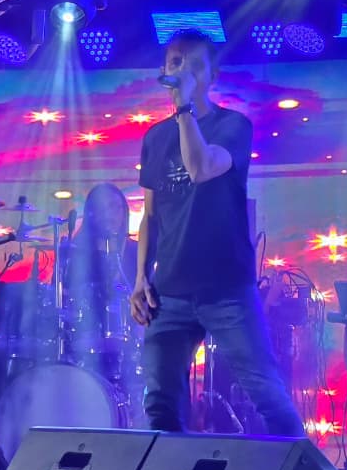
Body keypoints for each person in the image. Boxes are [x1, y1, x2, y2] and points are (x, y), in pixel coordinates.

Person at [128, 29, 303, 437]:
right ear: (163, 70)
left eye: (194, 65)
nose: (182, 70)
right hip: (170, 292)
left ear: (212, 76)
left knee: (265, 392)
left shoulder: (233, 126)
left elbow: (201, 167)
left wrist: (184, 108)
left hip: (227, 289)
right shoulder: (155, 137)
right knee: (160, 402)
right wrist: (140, 278)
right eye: (175, 62)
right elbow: (150, 216)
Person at [64, 183, 139, 383]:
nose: (110, 213)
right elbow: (64, 297)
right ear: (91, 213)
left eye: (115, 206)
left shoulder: (137, 252)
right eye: (103, 207)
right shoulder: (76, 253)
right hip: (85, 344)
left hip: (131, 345)